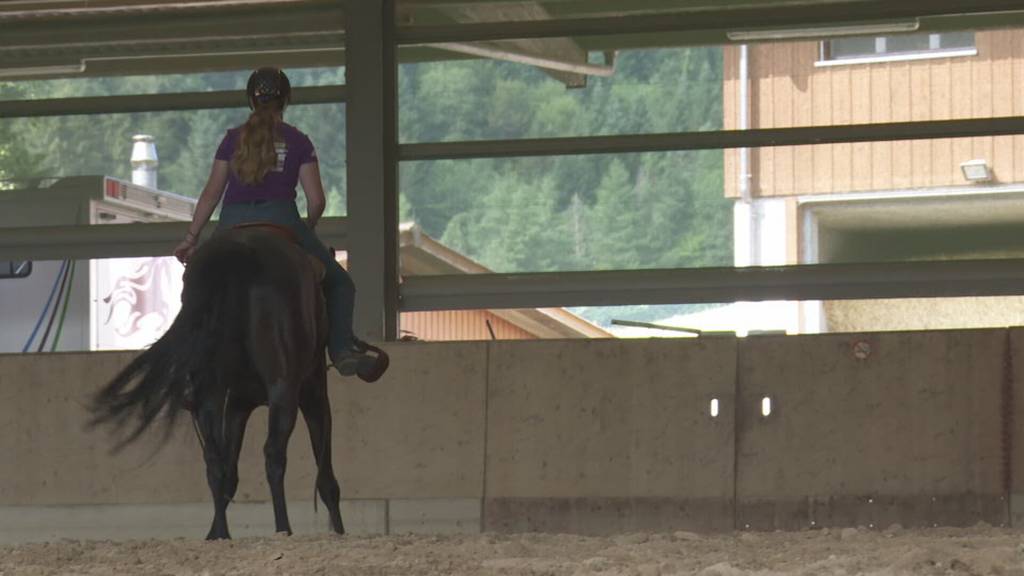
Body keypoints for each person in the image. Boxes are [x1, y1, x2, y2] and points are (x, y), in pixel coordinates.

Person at [174, 66, 379, 379]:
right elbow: (317, 200)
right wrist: (306, 230)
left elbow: (211, 194)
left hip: (231, 221)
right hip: (280, 216)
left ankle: (189, 366)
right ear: (286, 100)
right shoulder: (299, 141)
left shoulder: (231, 140)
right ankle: (341, 352)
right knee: (341, 283)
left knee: (197, 281)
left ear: (250, 100)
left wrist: (190, 239)